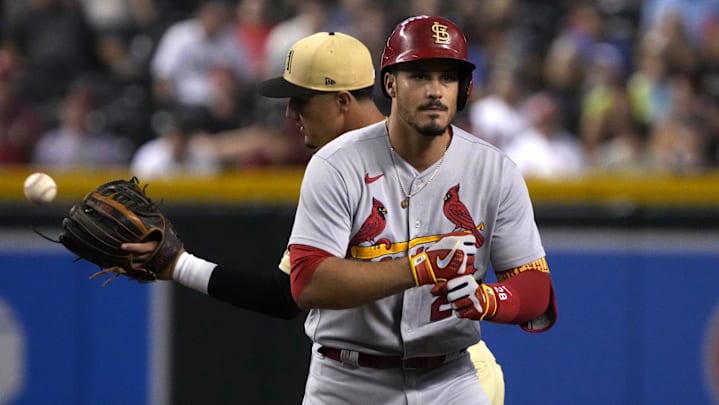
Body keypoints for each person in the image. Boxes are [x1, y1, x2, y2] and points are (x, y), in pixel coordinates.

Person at [119, 29, 508, 404]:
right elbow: (286, 294)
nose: (290, 113)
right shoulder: (339, 167)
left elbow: (286, 297)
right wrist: (178, 265)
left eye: (301, 100)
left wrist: (180, 266)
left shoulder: (428, 158)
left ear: (342, 101)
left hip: (447, 374)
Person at [286, 16, 556, 404]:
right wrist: (418, 267)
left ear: (464, 89)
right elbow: (307, 281)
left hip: (450, 379)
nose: (435, 91)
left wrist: (488, 299)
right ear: (390, 83)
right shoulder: (337, 164)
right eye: (419, 76)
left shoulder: (494, 170)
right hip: (346, 382)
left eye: (447, 77)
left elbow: (536, 289)